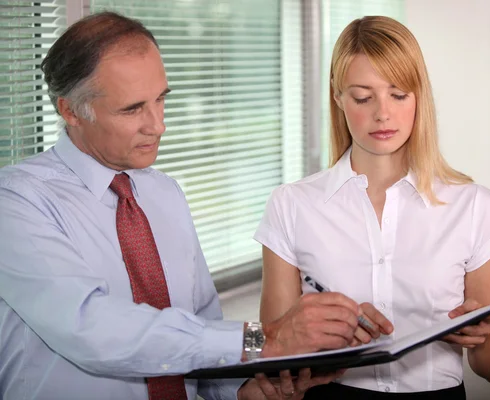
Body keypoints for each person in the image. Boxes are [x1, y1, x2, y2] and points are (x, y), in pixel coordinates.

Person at [0, 12, 378, 400]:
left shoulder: (164, 194)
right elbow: (90, 328)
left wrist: (242, 390)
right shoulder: (16, 202)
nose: (158, 125)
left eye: (161, 99)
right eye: (132, 109)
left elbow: (200, 330)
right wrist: (265, 338)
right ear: (70, 111)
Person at [255, 16, 490, 400]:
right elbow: (276, 366)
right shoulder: (291, 206)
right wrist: (328, 334)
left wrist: (482, 335)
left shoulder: (473, 205)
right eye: (363, 97)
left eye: (398, 94)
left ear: (419, 95)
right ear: (337, 97)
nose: (382, 114)